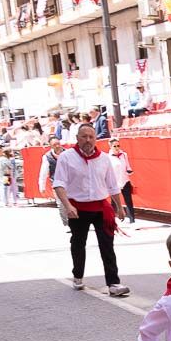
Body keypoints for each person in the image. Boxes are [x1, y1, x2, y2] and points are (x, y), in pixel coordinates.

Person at [52, 123, 130, 297]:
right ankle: (78, 275)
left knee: (107, 245)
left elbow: (112, 185)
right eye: (84, 137)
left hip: (102, 208)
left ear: (96, 139)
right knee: (78, 243)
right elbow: (59, 184)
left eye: (91, 137)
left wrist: (119, 207)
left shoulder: (103, 159)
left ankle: (113, 283)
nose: (88, 140)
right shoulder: (66, 158)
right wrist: (68, 206)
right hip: (78, 208)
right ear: (77, 138)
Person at [37, 138, 68, 227]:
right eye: (55, 145)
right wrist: (41, 186)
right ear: (51, 146)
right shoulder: (47, 157)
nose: (57, 146)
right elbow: (43, 172)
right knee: (61, 204)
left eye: (58, 143)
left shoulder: (68, 153)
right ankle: (66, 224)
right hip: (57, 183)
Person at [108, 138, 135, 224]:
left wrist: (129, 171)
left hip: (125, 180)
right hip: (115, 182)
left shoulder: (124, 155)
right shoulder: (108, 157)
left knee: (128, 201)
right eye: (114, 146)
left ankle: (132, 220)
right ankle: (111, 220)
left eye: (118, 145)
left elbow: (128, 166)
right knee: (114, 202)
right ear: (111, 146)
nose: (117, 148)